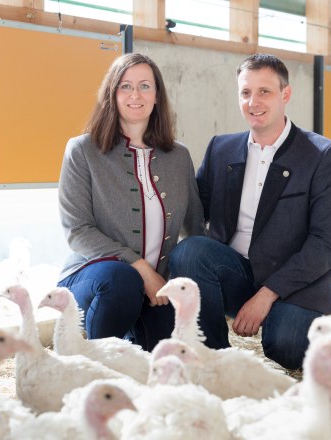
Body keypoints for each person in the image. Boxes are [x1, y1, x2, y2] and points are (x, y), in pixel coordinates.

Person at [169, 53, 331, 369]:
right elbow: (192, 209)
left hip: (296, 283)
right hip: (235, 272)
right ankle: (216, 359)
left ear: (286, 94)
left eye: (264, 91)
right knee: (191, 251)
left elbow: (327, 244)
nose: (254, 101)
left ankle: (317, 338)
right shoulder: (220, 149)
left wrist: (266, 296)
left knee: (288, 349)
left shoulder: (323, 155)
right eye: (245, 92)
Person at [57, 53, 204, 352]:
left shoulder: (179, 157)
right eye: (125, 86)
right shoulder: (82, 150)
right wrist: (140, 268)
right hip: (95, 278)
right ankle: (100, 366)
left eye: (145, 86)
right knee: (122, 280)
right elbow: (77, 231)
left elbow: (195, 230)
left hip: (158, 286)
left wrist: (172, 282)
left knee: (163, 359)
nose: (135, 95)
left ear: (157, 95)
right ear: (111, 93)